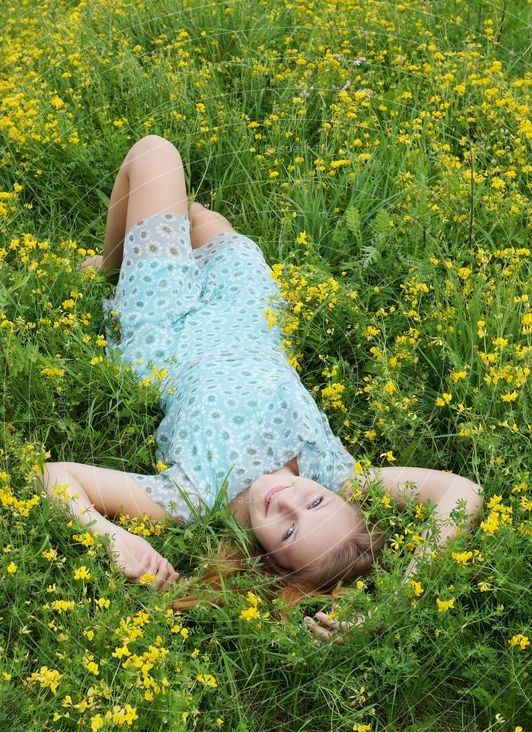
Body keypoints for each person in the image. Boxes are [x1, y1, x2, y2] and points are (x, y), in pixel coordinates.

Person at [35, 135, 484, 636]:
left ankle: (116, 267)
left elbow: (57, 476)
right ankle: (144, 247)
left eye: (289, 529)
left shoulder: (194, 498)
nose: (287, 498)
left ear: (268, 559)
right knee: (201, 218)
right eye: (315, 502)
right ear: (336, 496)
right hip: (245, 310)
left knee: (156, 154)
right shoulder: (338, 473)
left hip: (166, 323)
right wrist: (393, 602)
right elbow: (462, 491)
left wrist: (111, 537)